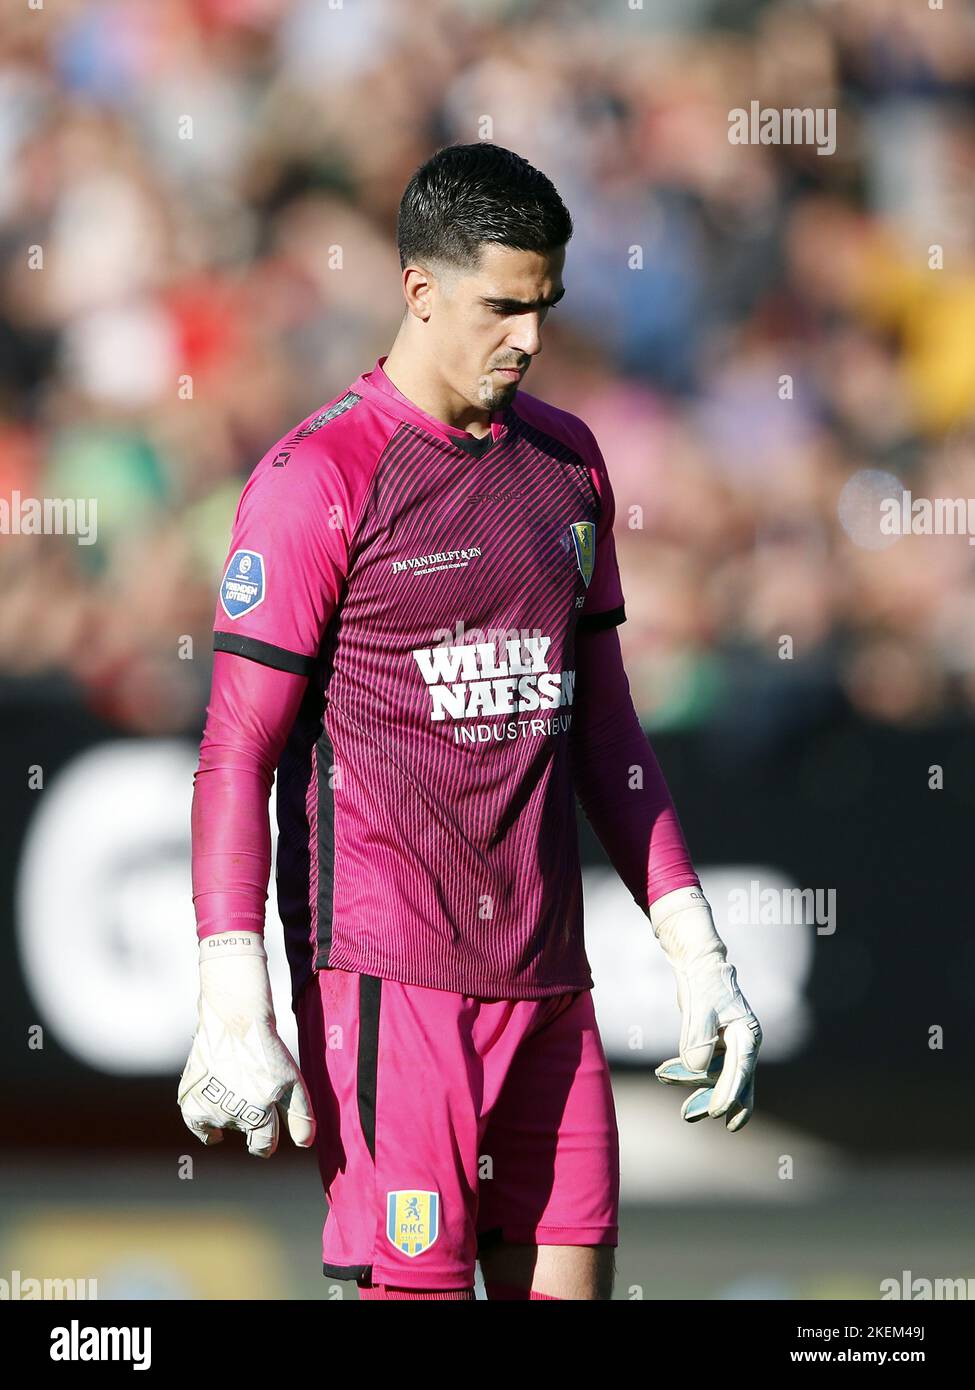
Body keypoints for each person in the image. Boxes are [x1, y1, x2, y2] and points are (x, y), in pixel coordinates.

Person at [178, 142, 762, 1302]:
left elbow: (607, 733)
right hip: (395, 982)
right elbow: (235, 750)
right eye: (502, 305)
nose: (530, 337)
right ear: (420, 289)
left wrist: (698, 951)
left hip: (551, 985)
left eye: (544, 306)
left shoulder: (567, 463)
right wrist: (231, 991)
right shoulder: (319, 478)